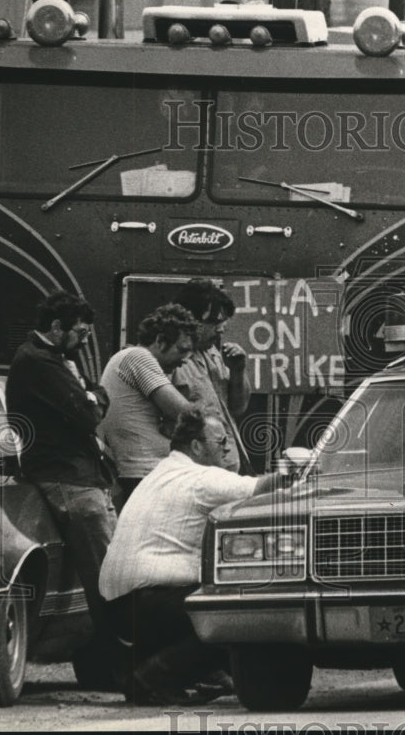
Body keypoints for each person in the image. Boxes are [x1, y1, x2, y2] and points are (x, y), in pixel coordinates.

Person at [99, 408, 284, 705]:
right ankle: (153, 678)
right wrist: (298, 470)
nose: (226, 448)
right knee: (239, 614)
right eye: (220, 442)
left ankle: (170, 672)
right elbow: (262, 488)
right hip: (151, 601)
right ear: (196, 447)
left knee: (206, 603)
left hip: (118, 606)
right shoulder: (202, 478)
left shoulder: (160, 473)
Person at [5, 291, 121, 680]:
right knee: (108, 574)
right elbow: (89, 413)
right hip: (67, 477)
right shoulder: (38, 362)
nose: (85, 340)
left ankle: (103, 662)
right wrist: (94, 396)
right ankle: (118, 664)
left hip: (79, 474)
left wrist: (93, 394)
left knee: (105, 572)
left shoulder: (56, 360)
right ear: (57, 327)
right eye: (81, 332)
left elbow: (95, 395)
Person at [98, 303, 197, 502]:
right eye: (182, 350)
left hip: (143, 472)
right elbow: (187, 415)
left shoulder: (129, 358)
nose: (185, 360)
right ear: (160, 341)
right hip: (145, 472)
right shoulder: (138, 357)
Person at [171, 278, 251, 474]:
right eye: (215, 322)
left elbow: (238, 408)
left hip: (226, 467)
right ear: (191, 319)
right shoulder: (171, 359)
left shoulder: (214, 354)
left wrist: (238, 370)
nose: (221, 329)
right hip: (197, 471)